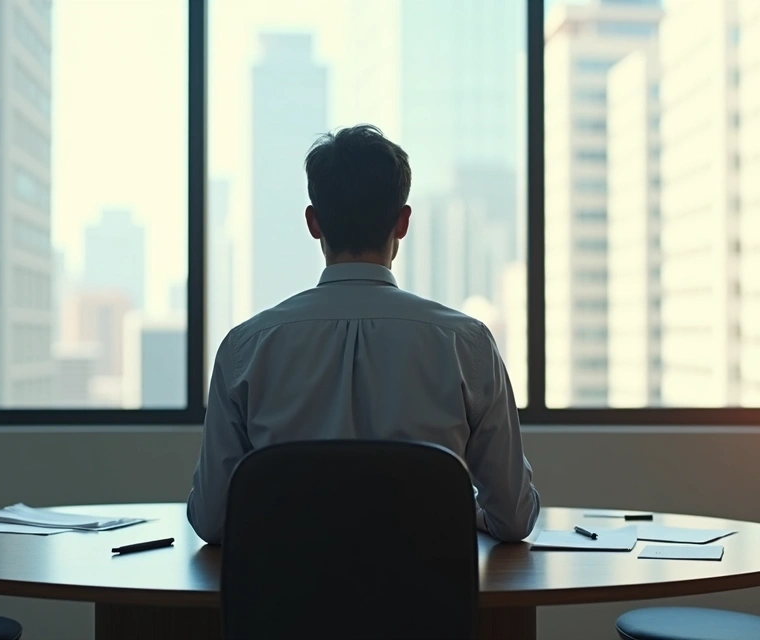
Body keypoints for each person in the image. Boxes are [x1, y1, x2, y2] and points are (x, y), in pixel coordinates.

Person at [187, 124, 540, 544]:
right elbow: (514, 519)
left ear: (314, 222)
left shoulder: (246, 348)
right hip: (428, 607)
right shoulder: (466, 344)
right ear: (403, 221)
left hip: (286, 607)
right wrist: (462, 512)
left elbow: (211, 521)